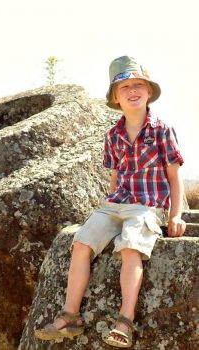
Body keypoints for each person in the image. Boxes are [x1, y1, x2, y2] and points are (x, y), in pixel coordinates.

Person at [34, 55, 186, 348]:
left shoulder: (162, 130)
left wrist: (176, 215)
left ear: (149, 91)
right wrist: (108, 210)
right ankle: (70, 316)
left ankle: (124, 320)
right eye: (125, 86)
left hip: (147, 206)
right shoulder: (113, 136)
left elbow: (174, 178)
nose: (133, 90)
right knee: (81, 242)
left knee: (130, 247)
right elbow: (115, 179)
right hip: (116, 204)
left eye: (139, 84)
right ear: (115, 97)